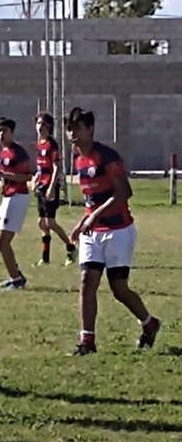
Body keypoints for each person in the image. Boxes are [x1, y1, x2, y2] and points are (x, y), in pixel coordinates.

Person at [65, 107, 161, 355]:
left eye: (77, 128)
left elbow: (124, 192)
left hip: (118, 229)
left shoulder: (107, 156)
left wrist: (95, 215)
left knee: (119, 288)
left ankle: (149, 323)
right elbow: (91, 201)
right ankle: (87, 341)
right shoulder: (78, 159)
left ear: (90, 129)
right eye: (69, 129)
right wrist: (82, 221)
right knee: (87, 281)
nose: (72, 134)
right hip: (93, 232)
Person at [0, 117, 32, 290]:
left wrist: (2, 175)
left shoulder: (18, 152)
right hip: (7, 196)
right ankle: (16, 274)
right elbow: (4, 174)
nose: (0, 134)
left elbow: (27, 176)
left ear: (12, 133)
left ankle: (16, 279)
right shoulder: (3, 152)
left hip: (17, 197)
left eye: (4, 131)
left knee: (3, 241)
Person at [33, 112, 77, 266]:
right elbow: (40, 167)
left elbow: (56, 166)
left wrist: (52, 186)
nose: (40, 127)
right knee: (41, 223)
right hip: (41, 185)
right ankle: (45, 258)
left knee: (50, 222)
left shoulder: (52, 144)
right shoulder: (39, 143)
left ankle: (70, 247)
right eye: (38, 124)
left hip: (50, 186)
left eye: (43, 124)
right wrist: (35, 179)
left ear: (49, 127)